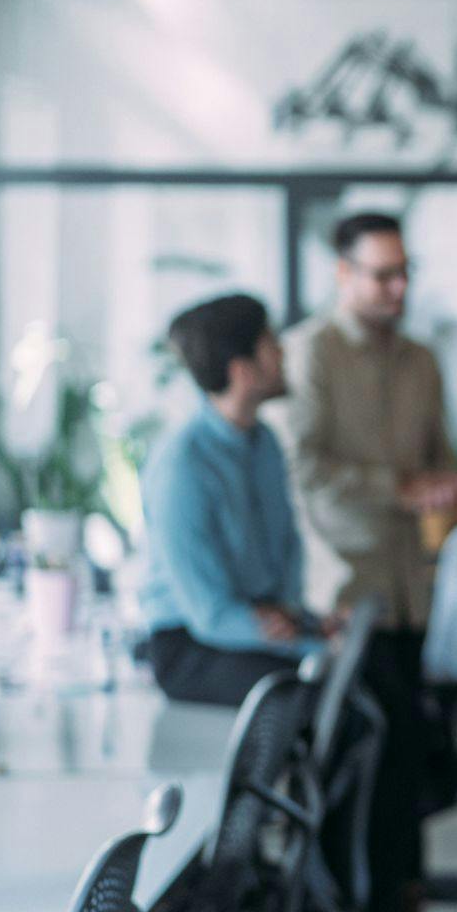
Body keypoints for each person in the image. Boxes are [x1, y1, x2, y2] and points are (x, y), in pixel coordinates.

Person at [280, 211, 457, 912]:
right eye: (382, 275)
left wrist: (448, 484)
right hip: (341, 592)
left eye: (403, 273)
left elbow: (441, 458)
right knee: (349, 771)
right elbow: (303, 468)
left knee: (405, 769)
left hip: (412, 593)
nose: (397, 289)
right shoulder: (309, 355)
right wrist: (399, 488)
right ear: (343, 273)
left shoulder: (421, 361)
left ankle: (398, 900)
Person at [140, 293, 320, 706]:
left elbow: (287, 548)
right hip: (192, 643)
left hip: (259, 621)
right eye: (271, 343)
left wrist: (300, 619)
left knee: (361, 672)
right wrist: (303, 642)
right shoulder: (182, 464)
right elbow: (208, 613)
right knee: (307, 694)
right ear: (242, 371)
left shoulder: (266, 444)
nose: (282, 351)